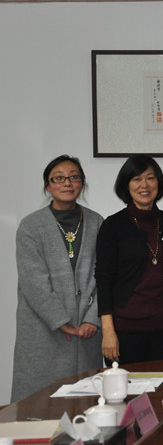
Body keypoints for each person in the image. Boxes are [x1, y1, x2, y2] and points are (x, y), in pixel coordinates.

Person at [12, 155, 103, 402]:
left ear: (82, 183)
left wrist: (93, 319)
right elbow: (33, 282)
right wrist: (62, 321)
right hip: (43, 332)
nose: (67, 183)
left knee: (86, 406)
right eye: (59, 178)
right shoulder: (31, 226)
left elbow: (106, 276)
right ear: (48, 186)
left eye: (74, 177)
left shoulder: (97, 222)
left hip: (86, 333)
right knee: (38, 406)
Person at [95, 155, 163, 366]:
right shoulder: (113, 225)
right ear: (127, 185)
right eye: (136, 179)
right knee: (125, 387)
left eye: (150, 178)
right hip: (125, 330)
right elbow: (103, 279)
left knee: (160, 386)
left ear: (158, 183)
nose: (144, 185)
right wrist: (108, 332)